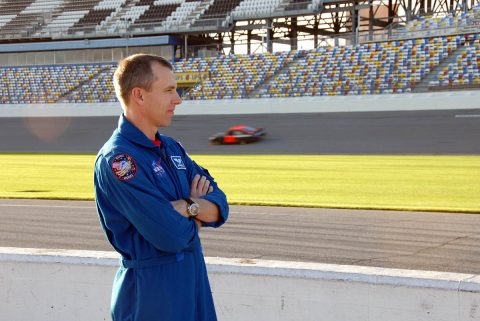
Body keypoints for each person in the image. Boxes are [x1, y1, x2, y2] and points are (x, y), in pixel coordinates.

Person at [93, 53, 229, 321]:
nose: (177, 99)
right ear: (139, 95)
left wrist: (189, 206)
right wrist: (199, 212)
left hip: (193, 285)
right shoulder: (120, 161)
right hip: (152, 295)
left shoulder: (172, 148)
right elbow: (170, 236)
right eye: (168, 90)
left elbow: (221, 206)